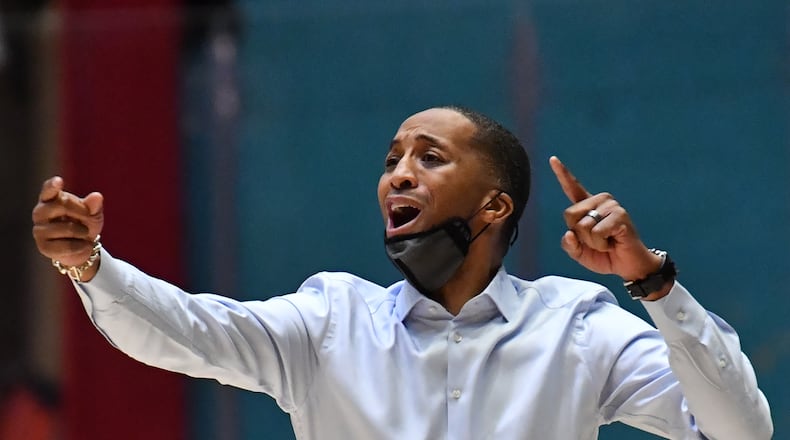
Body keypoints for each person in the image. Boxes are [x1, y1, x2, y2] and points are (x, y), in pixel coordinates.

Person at [32, 106, 772, 439]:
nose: (399, 176)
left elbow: (740, 431)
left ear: (494, 206)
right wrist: (87, 264)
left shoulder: (576, 326)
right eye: (392, 161)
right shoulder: (329, 321)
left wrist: (654, 285)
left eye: (429, 157)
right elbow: (187, 332)